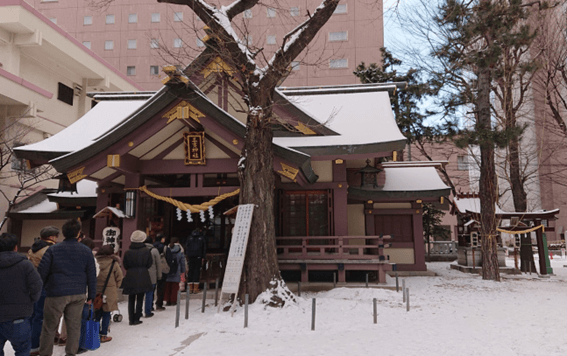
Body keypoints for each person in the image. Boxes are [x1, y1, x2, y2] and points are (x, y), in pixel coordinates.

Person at [37, 219, 97, 356]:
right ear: (78, 234)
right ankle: (71, 353)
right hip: (78, 293)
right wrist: (91, 296)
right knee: (74, 327)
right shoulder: (86, 251)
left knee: (49, 328)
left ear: (63, 233)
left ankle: (45, 353)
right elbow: (91, 275)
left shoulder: (53, 250)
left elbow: (42, 272)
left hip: (56, 292)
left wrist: (44, 288)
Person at [0, 233, 43, 356]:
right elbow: (37, 285)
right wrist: (31, 300)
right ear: (15, 247)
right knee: (23, 350)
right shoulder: (25, 265)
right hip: (18, 317)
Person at [27, 226, 59, 355]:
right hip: (45, 285)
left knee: (32, 316)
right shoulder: (50, 249)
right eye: (56, 236)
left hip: (31, 285)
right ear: (51, 237)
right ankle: (35, 346)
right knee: (40, 317)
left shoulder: (32, 248)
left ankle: (29, 343)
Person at [120, 230, 153, 326]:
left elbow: (125, 264)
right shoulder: (146, 251)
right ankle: (137, 317)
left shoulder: (128, 252)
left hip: (130, 274)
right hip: (143, 274)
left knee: (131, 297)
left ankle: (131, 318)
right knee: (140, 297)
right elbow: (149, 263)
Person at [94, 245, 123, 343]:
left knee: (96, 313)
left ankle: (95, 333)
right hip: (109, 291)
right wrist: (115, 286)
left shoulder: (94, 261)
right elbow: (119, 277)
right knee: (106, 313)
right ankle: (103, 335)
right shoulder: (113, 263)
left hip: (96, 290)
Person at [163, 237, 186, 306]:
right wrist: (183, 270)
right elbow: (182, 261)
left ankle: (167, 300)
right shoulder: (180, 250)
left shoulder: (166, 249)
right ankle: (173, 300)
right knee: (174, 286)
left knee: (167, 286)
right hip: (176, 270)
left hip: (167, 269)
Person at [144, 236, 161, 318]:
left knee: (140, 294)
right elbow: (158, 264)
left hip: (142, 274)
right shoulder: (154, 250)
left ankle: (139, 311)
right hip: (152, 275)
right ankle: (148, 310)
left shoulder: (141, 250)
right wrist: (159, 275)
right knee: (150, 293)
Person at [185, 229, 206, 293]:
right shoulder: (201, 238)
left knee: (190, 271)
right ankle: (196, 289)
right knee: (197, 271)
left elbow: (187, 247)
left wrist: (187, 255)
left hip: (190, 256)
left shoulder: (189, 238)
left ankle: (190, 288)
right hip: (198, 256)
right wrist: (203, 257)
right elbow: (204, 248)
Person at [153, 234, 169, 311]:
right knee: (161, 287)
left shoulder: (151, 247)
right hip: (162, 268)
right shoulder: (165, 247)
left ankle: (149, 305)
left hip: (152, 269)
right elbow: (169, 258)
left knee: (152, 288)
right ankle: (159, 304)